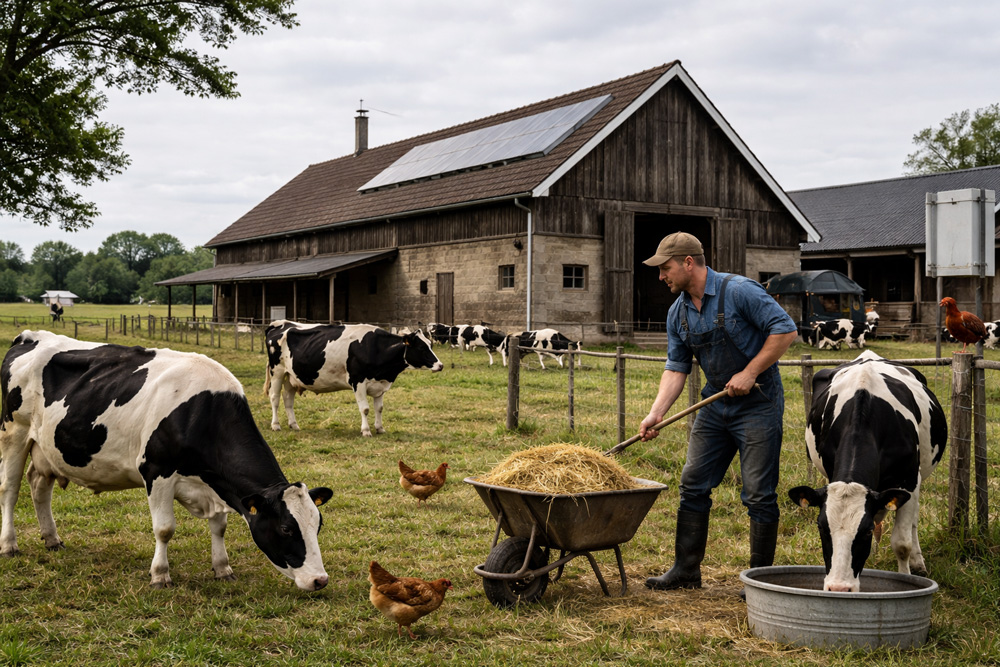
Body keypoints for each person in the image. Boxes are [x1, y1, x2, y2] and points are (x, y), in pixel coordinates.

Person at [638, 232, 797, 593]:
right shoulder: (677, 313)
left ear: (689, 263)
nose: (661, 276)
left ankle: (760, 582)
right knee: (693, 484)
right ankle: (686, 570)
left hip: (757, 402)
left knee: (758, 493)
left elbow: (785, 330)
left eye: (666, 268)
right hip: (715, 404)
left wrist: (751, 371)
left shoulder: (739, 291)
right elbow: (676, 367)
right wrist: (656, 413)